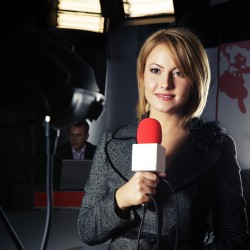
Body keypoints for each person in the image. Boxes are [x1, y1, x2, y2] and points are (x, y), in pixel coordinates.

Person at [77, 27, 250, 249]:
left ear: (196, 79)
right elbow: (87, 231)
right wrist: (122, 198)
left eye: (179, 73)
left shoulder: (216, 147)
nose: (165, 83)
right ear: (142, 75)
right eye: (156, 70)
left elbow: (234, 236)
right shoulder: (112, 142)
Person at [53, 120, 97, 188]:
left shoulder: (96, 152)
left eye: (78, 135)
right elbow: (54, 180)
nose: (74, 139)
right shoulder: (59, 152)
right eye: (71, 135)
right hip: (64, 193)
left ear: (86, 136)